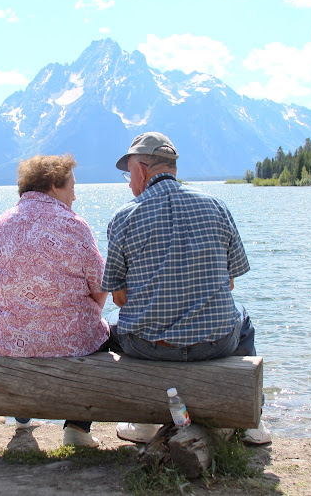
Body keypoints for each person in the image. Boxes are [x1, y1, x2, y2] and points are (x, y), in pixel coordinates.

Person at [101, 131, 271, 445]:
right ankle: (253, 421)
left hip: (149, 347)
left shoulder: (123, 217)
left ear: (142, 170)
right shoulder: (216, 206)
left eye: (129, 174)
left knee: (111, 327)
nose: (129, 183)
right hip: (215, 344)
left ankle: (143, 423)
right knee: (242, 319)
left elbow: (120, 298)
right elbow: (230, 283)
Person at [0, 154, 109, 447]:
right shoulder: (75, 225)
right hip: (68, 341)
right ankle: (77, 428)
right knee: (99, 335)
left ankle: (22, 416)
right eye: (72, 186)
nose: (75, 195)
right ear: (55, 184)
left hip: (9, 340)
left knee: (7, 324)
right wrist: (88, 313)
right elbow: (100, 285)